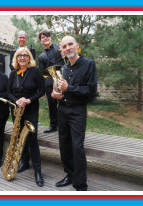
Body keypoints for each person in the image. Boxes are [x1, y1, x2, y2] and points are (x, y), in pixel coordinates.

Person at [51, 36, 98, 191]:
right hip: (62, 109)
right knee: (64, 145)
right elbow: (59, 90)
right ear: (62, 51)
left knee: (77, 147)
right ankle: (70, 174)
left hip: (78, 111)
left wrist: (69, 88)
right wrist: (56, 93)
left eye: (70, 44)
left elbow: (91, 92)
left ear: (77, 45)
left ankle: (80, 183)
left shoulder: (89, 64)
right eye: (64, 46)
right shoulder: (63, 68)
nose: (68, 48)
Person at [7, 47, 45, 187]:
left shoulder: (34, 71)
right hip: (16, 110)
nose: (22, 58)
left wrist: (28, 100)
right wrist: (16, 101)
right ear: (16, 59)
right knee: (19, 137)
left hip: (31, 109)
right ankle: (24, 162)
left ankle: (38, 170)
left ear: (29, 58)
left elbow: (42, 91)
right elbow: (8, 92)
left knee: (32, 138)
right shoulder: (12, 73)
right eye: (19, 56)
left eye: (25, 55)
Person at [38, 30, 65, 133]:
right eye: (43, 37)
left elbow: (73, 55)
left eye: (47, 36)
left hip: (63, 79)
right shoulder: (41, 57)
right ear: (41, 41)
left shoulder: (60, 47)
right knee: (52, 105)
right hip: (49, 83)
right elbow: (42, 73)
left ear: (50, 37)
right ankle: (53, 125)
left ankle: (64, 125)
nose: (45, 38)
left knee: (64, 103)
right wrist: (45, 88)